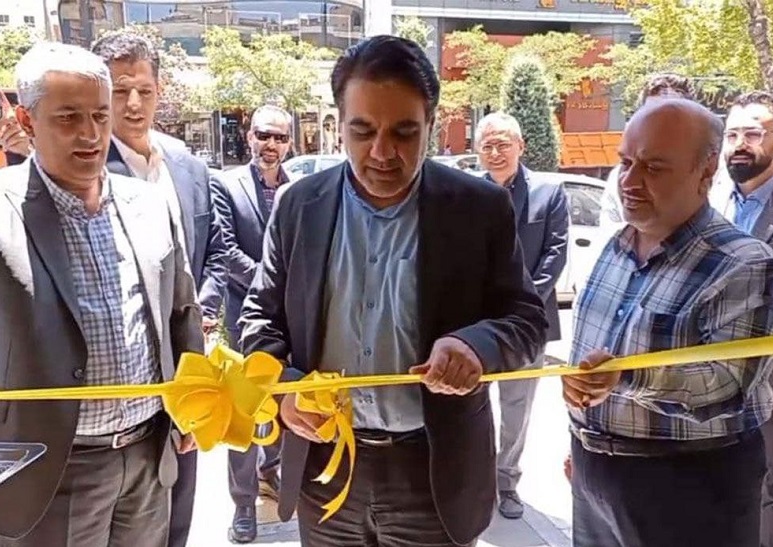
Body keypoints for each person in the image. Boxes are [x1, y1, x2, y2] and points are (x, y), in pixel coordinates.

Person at [238, 35, 547, 547]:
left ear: (431, 123)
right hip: (324, 467)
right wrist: (284, 388)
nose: (382, 152)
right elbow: (258, 318)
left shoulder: (479, 208)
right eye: (362, 131)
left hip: (434, 472)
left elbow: (527, 318)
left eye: (404, 132)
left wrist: (477, 345)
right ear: (339, 125)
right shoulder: (298, 206)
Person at [0, 42, 203, 547]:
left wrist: (193, 404)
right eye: (69, 117)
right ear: (27, 120)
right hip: (48, 470)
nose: (91, 134)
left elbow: (181, 312)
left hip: (147, 461)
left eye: (100, 115)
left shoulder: (149, 203)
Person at [564, 97, 773, 546]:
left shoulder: (744, 264)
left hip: (688, 485)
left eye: (653, 167)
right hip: (594, 473)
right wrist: (583, 440)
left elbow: (729, 385)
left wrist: (627, 376)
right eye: (625, 162)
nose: (629, 181)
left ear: (706, 171)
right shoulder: (614, 246)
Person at [87, 32, 229, 547]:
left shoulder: (188, 166)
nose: (133, 103)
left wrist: (203, 308)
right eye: (120, 90)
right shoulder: (83, 166)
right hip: (124, 387)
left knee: (180, 506)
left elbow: (214, 247)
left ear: (159, 90)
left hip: (189, 363)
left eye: (144, 90)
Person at [475, 111, 569, 519]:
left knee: (516, 409)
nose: (495, 152)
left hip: (528, 323)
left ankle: (506, 481)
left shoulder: (549, 192)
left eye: (503, 144)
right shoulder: (466, 193)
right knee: (473, 406)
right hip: (476, 323)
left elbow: (555, 254)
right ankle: (476, 480)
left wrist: (522, 303)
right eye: (487, 145)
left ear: (520, 146)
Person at [213, 104, 291, 544]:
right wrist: (272, 282)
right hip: (242, 317)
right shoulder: (226, 185)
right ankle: (243, 504)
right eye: (264, 135)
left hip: (287, 321)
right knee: (243, 414)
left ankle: (270, 472)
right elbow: (224, 250)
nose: (271, 144)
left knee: (279, 404)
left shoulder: (298, 189)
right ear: (249, 137)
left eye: (280, 137)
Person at [712, 91, 773, 546]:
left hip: (771, 383)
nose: (740, 144)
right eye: (731, 134)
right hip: (710, 379)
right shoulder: (710, 200)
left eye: (753, 134)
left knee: (767, 493)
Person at [600, 73, 695, 230]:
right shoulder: (621, 178)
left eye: (672, 115)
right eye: (652, 115)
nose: (660, 124)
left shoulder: (713, 175)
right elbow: (610, 236)